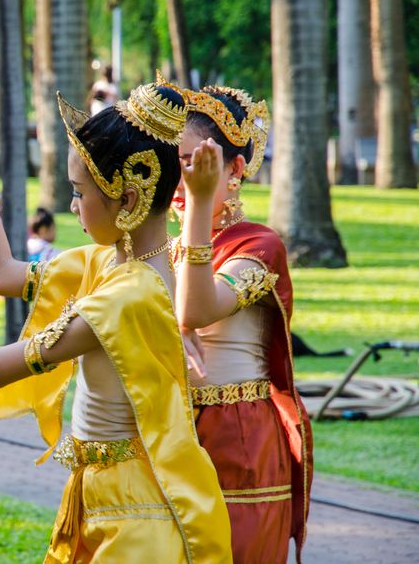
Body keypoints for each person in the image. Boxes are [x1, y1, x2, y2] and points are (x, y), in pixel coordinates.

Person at [0, 80, 231, 562]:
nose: (71, 206)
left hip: (138, 521)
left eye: (79, 192)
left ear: (126, 199)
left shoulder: (130, 293)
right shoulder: (108, 265)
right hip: (101, 502)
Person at [172, 85, 312, 562]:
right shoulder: (162, 248)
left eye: (194, 162)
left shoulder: (259, 244)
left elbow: (195, 310)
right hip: (171, 428)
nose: (180, 179)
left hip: (239, 434)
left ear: (233, 169)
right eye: (171, 163)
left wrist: (196, 205)